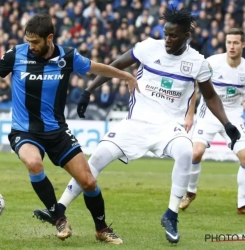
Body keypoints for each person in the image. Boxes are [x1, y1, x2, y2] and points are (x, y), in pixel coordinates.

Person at [31, 7, 241, 244]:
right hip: (135, 123)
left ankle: (171, 215)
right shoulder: (148, 47)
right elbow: (117, 64)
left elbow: (211, 96)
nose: (167, 40)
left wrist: (228, 124)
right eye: (165, 34)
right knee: (98, 156)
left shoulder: (197, 62)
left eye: (173, 36)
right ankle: (58, 209)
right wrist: (89, 91)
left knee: (185, 150)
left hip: (167, 128)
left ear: (186, 36)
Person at [0, 14, 139, 244]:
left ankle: (101, 228)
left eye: (35, 42)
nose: (31, 46)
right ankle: (59, 217)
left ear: (49, 38)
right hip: (25, 130)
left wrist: (125, 75)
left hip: (57, 130)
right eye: (28, 41)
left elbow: (94, 68)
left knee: (88, 181)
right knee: (33, 162)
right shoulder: (16, 54)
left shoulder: (67, 56)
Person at [179, 28, 245, 213]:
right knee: (195, 153)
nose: (231, 46)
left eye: (236, 43)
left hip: (232, 115)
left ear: (243, 45)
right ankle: (190, 192)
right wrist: (190, 114)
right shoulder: (212, 63)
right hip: (208, 113)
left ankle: (242, 203)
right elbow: (194, 84)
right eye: (229, 42)